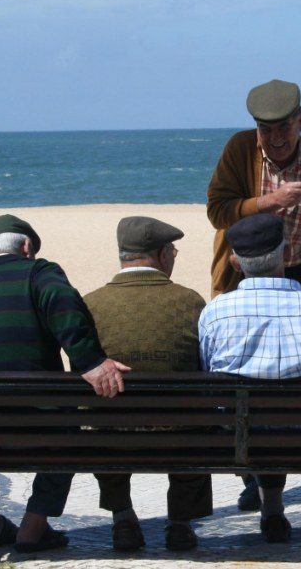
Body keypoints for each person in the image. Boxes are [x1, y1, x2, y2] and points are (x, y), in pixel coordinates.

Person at [205, 78, 301, 511]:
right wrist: (267, 203)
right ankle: (255, 478)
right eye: (266, 130)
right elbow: (217, 209)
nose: (276, 137)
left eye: (285, 127)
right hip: (244, 275)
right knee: (246, 380)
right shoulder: (238, 151)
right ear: (255, 129)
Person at [0, 214, 129, 554]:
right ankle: (33, 527)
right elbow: (64, 305)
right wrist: (90, 361)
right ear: (26, 246)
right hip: (42, 428)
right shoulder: (38, 272)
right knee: (71, 426)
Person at [198, 214, 301, 543]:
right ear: (285, 254)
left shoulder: (215, 312)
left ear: (236, 263)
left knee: (246, 413)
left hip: (240, 434)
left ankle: (269, 502)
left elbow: (207, 377)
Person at [83, 216, 211, 552]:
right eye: (173, 251)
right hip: (180, 436)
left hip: (112, 436)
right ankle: (181, 523)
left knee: (99, 416)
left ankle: (123, 518)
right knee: (198, 416)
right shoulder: (190, 301)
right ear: (161, 254)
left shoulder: (91, 304)